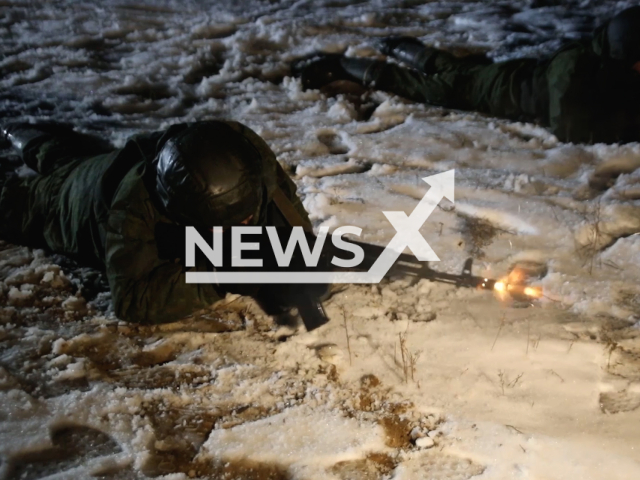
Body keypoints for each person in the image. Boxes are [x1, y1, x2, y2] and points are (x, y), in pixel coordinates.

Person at [0, 120, 314, 324]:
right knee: (18, 199)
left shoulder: (244, 156)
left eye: (246, 219)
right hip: (67, 207)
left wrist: (289, 270)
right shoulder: (134, 210)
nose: (244, 230)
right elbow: (132, 301)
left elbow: (296, 235)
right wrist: (217, 275)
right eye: (224, 228)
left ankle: (18, 131)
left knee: (60, 156)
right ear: (181, 214)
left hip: (108, 164)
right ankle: (14, 131)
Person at [291, 6, 640, 144]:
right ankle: (340, 64)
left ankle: (396, 43)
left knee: (447, 66)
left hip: (502, 76)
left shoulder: (598, 59)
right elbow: (570, 128)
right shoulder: (576, 70)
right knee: (421, 85)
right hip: (489, 93)